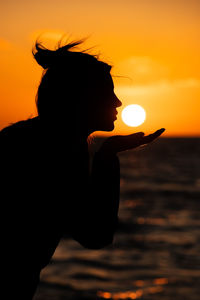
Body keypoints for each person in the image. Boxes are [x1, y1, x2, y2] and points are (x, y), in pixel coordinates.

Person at [0, 37, 165, 299]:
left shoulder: (35, 139)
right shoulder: (51, 150)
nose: (118, 102)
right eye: (107, 92)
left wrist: (105, 156)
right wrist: (107, 157)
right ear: (80, 98)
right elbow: (95, 235)